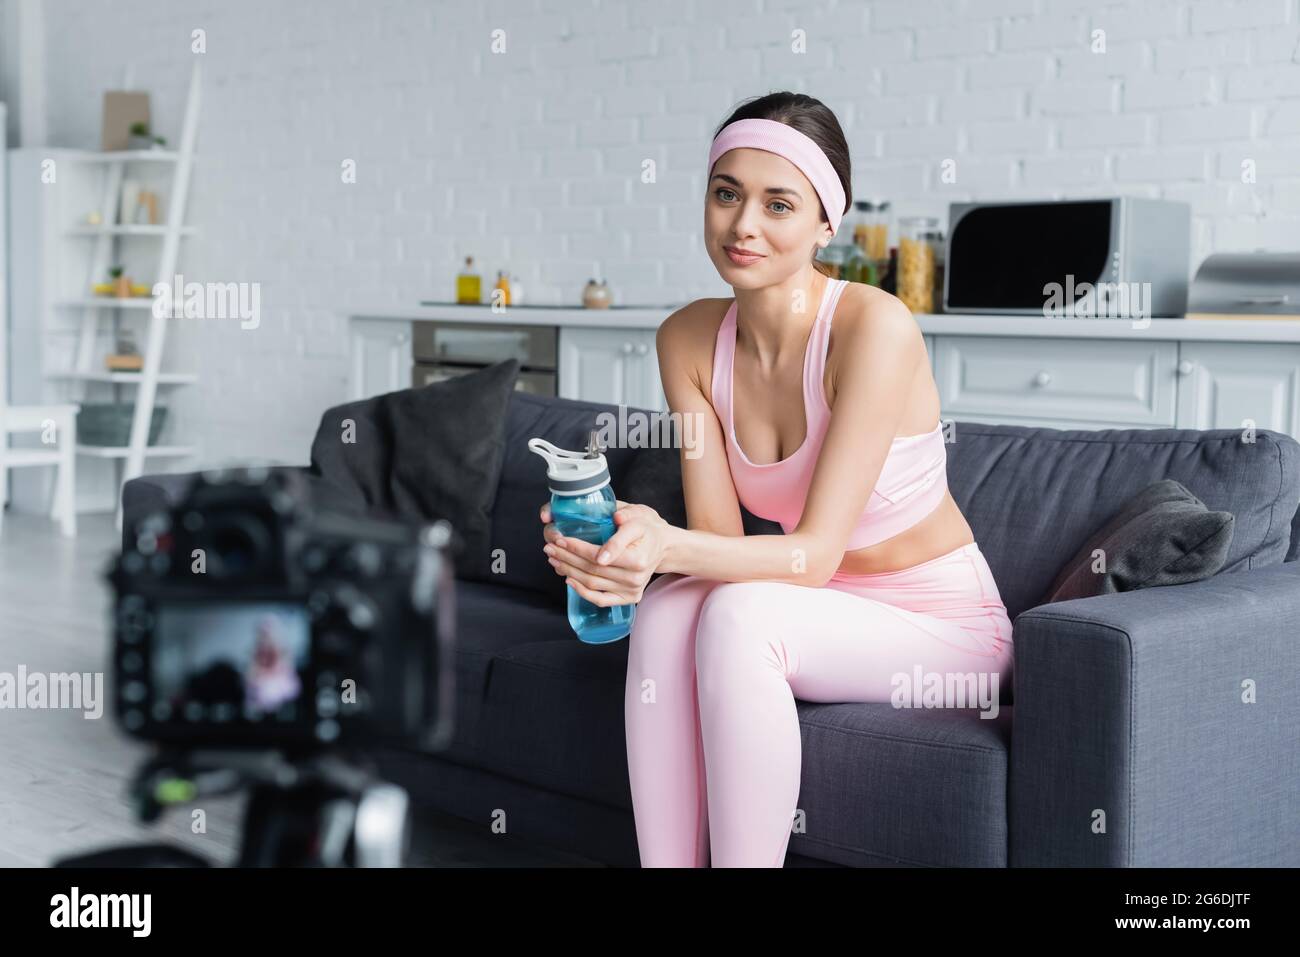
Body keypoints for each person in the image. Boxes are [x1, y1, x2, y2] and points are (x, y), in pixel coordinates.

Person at [539, 91, 1013, 868]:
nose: (742, 225)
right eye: (726, 194)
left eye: (778, 203)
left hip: (946, 627)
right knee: (665, 611)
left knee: (739, 619)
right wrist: (626, 545)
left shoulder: (873, 327)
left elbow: (816, 553)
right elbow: (719, 542)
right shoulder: (688, 339)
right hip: (820, 606)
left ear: (827, 222)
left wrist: (666, 544)